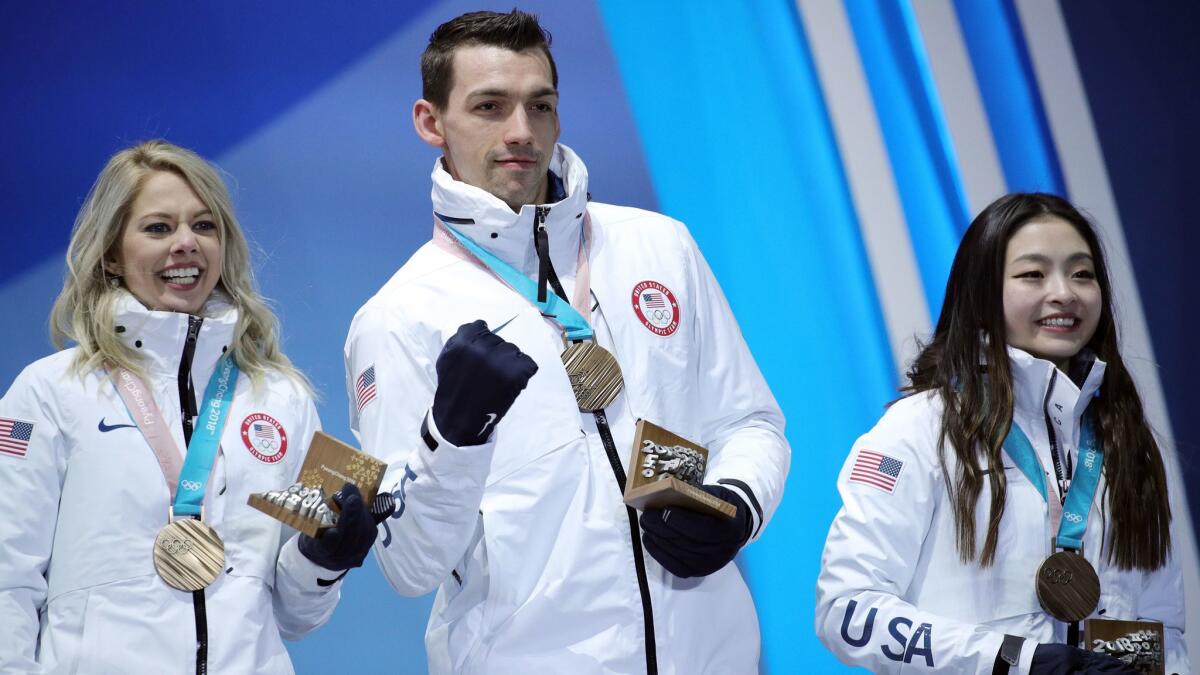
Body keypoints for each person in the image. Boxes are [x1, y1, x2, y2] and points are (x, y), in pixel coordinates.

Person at [344, 9, 790, 674]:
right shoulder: (399, 316)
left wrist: (736, 503)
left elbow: (751, 421)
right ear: (430, 121)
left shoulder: (658, 245)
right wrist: (450, 439)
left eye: (540, 105)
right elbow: (408, 565)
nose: (521, 132)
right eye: (489, 106)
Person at [0, 140, 386, 674]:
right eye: (159, 228)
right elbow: (7, 581)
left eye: (204, 226)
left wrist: (324, 560)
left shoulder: (281, 396)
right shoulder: (48, 392)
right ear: (112, 252)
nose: (186, 244)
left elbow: (297, 617)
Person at [815, 193, 1187, 674]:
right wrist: (1018, 662)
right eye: (1034, 274)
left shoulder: (1126, 441)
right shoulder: (920, 428)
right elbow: (846, 610)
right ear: (983, 291)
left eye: (1082, 273)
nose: (1065, 293)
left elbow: (1163, 632)